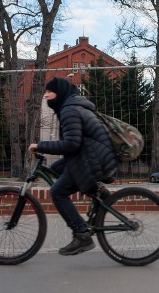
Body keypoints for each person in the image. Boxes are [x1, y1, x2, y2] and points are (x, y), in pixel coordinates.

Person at [28, 77, 117, 256]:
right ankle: (99, 192)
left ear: (58, 93)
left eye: (48, 92)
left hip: (93, 159)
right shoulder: (71, 106)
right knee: (55, 170)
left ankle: (81, 234)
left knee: (57, 192)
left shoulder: (69, 110)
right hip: (94, 155)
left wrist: (41, 146)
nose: (45, 96)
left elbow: (72, 144)